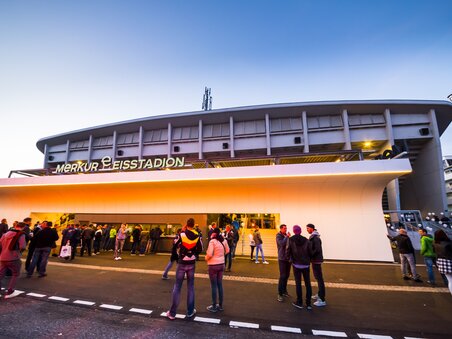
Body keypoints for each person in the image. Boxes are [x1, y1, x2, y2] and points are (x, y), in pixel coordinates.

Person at [166, 218, 203, 320]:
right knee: (190, 287)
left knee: (177, 287)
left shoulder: (182, 234)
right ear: (194, 225)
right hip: (192, 263)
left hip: (182, 262)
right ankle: (190, 311)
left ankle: (172, 313)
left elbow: (174, 245)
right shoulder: (197, 235)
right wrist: (193, 253)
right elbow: (200, 249)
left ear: (186, 225)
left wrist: (177, 255)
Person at [286, 225, 312, 310]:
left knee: (298, 284)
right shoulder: (306, 240)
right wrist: (308, 260)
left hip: (296, 264)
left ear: (294, 231)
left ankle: (299, 302)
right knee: (308, 283)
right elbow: (310, 251)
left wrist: (290, 260)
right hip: (306, 265)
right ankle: (308, 304)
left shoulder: (291, 240)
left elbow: (288, 251)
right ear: (300, 231)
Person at [205, 228, 229, 312]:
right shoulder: (224, 241)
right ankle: (221, 305)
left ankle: (214, 305)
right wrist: (221, 256)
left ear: (214, 234)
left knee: (214, 286)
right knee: (220, 285)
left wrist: (206, 258)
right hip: (221, 264)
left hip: (213, 265)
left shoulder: (212, 242)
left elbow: (209, 254)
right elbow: (228, 251)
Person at [0, 221, 26, 298]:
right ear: (23, 227)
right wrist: (19, 253)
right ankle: (10, 291)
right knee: (15, 274)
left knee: (0, 274)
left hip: (3, 257)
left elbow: (0, 243)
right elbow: (23, 246)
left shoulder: (5, 234)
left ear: (15, 226)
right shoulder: (20, 234)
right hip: (14, 258)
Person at [306, 223, 326, 306]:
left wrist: (310, 255)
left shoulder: (315, 238)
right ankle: (320, 294)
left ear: (311, 228)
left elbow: (317, 249)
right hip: (315, 260)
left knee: (319, 279)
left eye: (307, 228)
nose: (307, 230)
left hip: (316, 260)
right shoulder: (314, 237)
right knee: (318, 278)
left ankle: (322, 299)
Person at [433, 230, 452, 295]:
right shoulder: (448, 242)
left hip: (441, 262)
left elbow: (435, 253)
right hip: (449, 261)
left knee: (450, 280)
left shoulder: (435, 243)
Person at [276, 224, 291, 302]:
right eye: (284, 228)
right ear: (281, 229)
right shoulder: (278, 236)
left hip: (288, 259)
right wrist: (287, 237)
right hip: (282, 258)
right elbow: (281, 244)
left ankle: (284, 291)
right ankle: (280, 293)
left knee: (287, 275)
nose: (286, 229)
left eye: (286, 228)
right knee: (282, 276)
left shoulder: (286, 236)